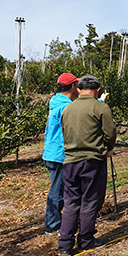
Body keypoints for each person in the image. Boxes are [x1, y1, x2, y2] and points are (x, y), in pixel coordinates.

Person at [58, 75, 116, 256]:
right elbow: (110, 134)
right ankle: (86, 240)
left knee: (70, 202)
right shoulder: (100, 107)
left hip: (70, 162)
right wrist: (106, 149)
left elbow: (64, 132)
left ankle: (65, 246)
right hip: (92, 161)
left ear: (79, 88)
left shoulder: (68, 108)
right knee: (90, 200)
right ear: (97, 90)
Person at [42, 73, 79, 234]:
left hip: (51, 152)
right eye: (77, 85)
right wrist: (98, 102)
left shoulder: (56, 103)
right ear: (72, 86)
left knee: (59, 189)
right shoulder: (65, 106)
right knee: (58, 190)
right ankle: (53, 225)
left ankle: (58, 221)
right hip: (59, 154)